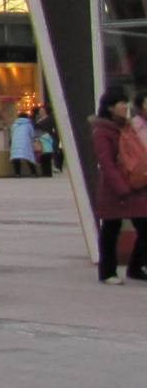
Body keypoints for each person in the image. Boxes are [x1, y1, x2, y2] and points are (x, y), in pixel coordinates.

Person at [88, 89, 147, 284]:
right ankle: (108, 272)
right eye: (121, 103)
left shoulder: (127, 127)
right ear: (110, 107)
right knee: (111, 228)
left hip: (135, 184)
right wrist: (121, 188)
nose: (125, 107)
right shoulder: (102, 131)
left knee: (144, 225)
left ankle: (136, 266)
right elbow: (106, 163)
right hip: (114, 188)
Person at [9, 110, 38, 178]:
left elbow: (11, 134)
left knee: (16, 158)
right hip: (26, 143)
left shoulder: (14, 125)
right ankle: (33, 173)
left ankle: (17, 173)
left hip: (15, 143)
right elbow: (32, 135)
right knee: (29, 157)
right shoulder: (28, 125)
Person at [34, 109, 62, 175]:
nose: (41, 113)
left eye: (42, 111)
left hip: (48, 137)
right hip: (44, 138)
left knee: (51, 152)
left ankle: (55, 167)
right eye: (40, 111)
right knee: (46, 153)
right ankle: (51, 168)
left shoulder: (48, 119)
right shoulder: (39, 120)